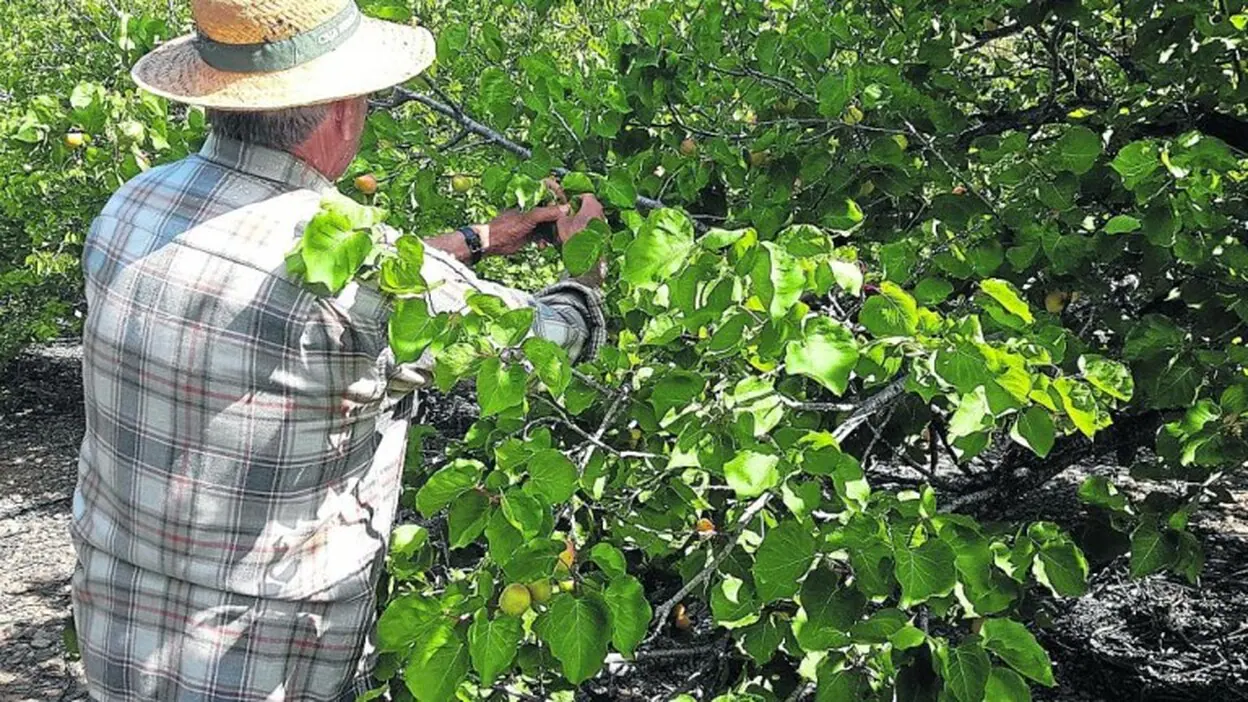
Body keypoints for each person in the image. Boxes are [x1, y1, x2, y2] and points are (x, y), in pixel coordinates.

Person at [70, 1, 606, 699]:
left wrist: (480, 240)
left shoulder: (131, 207)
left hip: (118, 627)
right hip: (261, 660)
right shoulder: (366, 273)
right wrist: (583, 270)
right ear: (343, 111)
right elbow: (551, 345)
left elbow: (308, 285)